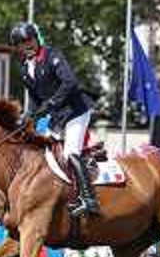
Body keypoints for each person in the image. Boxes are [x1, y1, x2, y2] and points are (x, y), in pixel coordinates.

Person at [9, 22, 99, 217]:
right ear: (18, 47)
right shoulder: (25, 68)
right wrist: (28, 116)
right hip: (58, 116)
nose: (28, 45)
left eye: (30, 40)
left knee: (70, 153)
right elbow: (34, 98)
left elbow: (70, 82)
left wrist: (50, 105)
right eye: (22, 43)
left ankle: (88, 199)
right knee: (43, 153)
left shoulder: (52, 55)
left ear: (36, 39)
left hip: (76, 111)